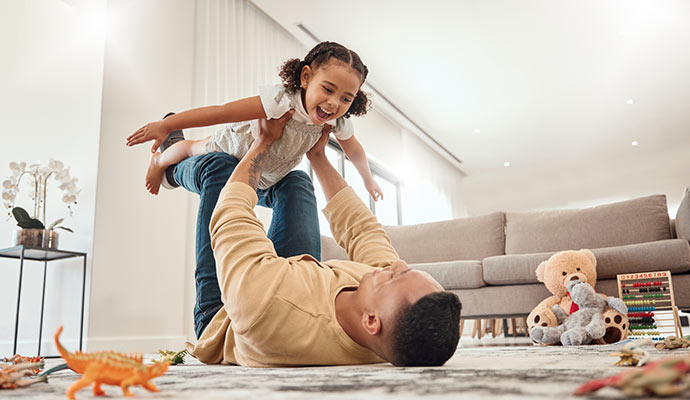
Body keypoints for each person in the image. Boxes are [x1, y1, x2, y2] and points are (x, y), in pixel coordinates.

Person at [184, 112, 462, 367]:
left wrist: (262, 142)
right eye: (406, 269)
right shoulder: (381, 316)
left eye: (395, 277)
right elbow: (363, 230)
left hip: (225, 316)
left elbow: (230, 216)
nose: (397, 265)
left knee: (220, 169)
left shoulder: (265, 305)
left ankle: (170, 167)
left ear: (371, 321)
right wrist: (318, 155)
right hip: (290, 279)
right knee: (296, 182)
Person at [126, 41, 383, 202]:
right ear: (306, 77)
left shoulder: (336, 122)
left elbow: (354, 150)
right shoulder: (282, 99)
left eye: (346, 99)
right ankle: (160, 160)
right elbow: (221, 112)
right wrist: (166, 126)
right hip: (234, 147)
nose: (334, 103)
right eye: (327, 89)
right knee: (193, 147)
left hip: (264, 171)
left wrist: (367, 179)